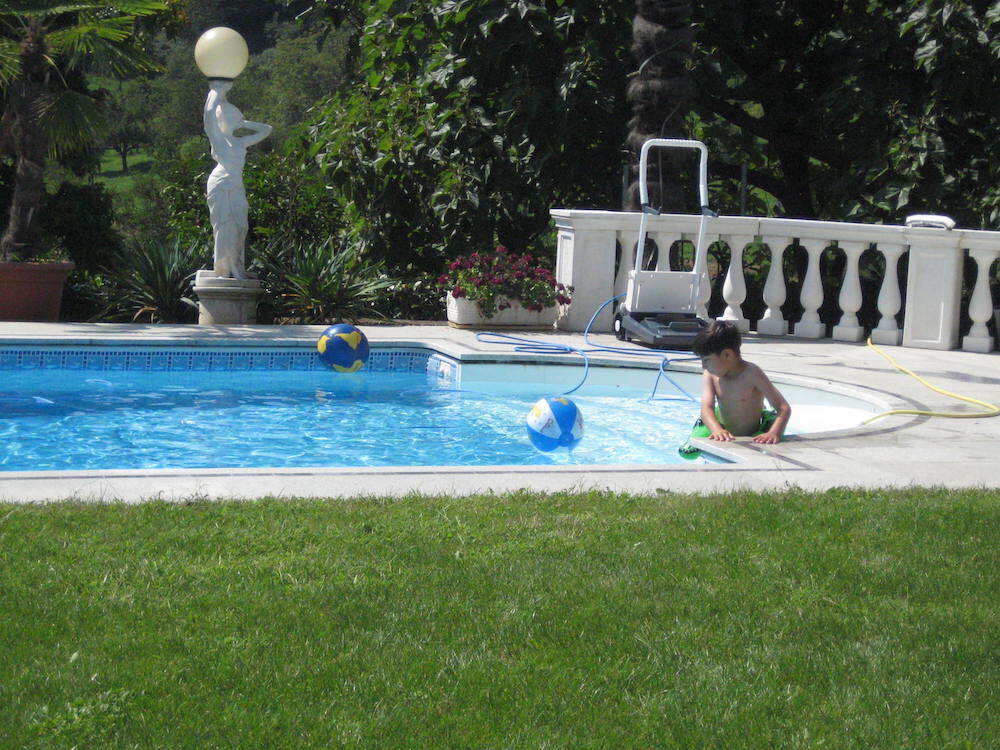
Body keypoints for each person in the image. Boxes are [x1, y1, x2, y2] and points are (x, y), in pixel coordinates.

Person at [203, 80, 272, 279]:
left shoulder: (240, 142)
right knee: (224, 226)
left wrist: (245, 123)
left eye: (237, 118)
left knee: (240, 225)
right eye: (232, 117)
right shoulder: (219, 140)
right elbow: (209, 116)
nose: (235, 120)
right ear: (222, 119)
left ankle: (236, 266)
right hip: (221, 183)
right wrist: (217, 91)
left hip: (235, 183)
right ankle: (224, 269)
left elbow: (267, 129)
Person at [691, 320, 791, 444]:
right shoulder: (710, 375)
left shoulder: (752, 374)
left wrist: (774, 433)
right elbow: (706, 408)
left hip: (751, 435)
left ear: (727, 355)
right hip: (724, 430)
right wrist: (717, 429)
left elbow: (783, 408)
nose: (703, 366)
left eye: (706, 360)